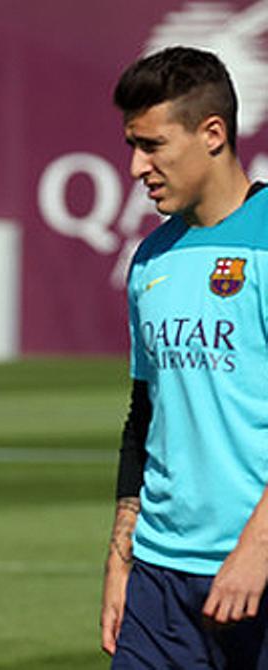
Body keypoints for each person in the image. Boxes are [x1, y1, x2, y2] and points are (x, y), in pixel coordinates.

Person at [101, 46, 268, 668]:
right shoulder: (151, 259)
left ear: (213, 134)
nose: (137, 165)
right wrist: (121, 562)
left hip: (255, 567)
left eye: (152, 145)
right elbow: (142, 421)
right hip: (159, 579)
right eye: (131, 146)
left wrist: (258, 550)